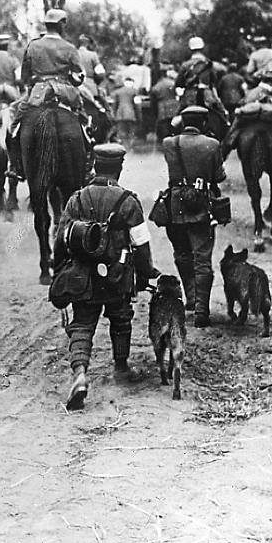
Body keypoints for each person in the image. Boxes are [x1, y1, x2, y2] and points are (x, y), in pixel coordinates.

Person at [54, 143, 159, 410]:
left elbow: (60, 240)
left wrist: (59, 271)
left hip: (82, 275)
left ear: (94, 166)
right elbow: (141, 244)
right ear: (119, 168)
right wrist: (147, 273)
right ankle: (121, 368)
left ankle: (79, 374)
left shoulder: (76, 198)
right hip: (117, 275)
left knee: (82, 324)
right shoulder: (128, 201)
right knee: (121, 320)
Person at [159, 106, 226, 327]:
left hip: (175, 205)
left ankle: (191, 296)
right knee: (202, 257)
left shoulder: (169, 143)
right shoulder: (212, 144)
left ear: (182, 122)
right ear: (204, 123)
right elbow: (219, 177)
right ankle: (201, 311)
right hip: (200, 205)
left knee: (181, 253)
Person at [8, 8, 85, 180]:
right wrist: (71, 81)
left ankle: (16, 167)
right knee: (85, 124)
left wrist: (34, 82)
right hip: (65, 94)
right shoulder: (70, 48)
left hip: (37, 93)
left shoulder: (33, 46)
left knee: (15, 126)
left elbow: (24, 77)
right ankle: (86, 166)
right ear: (61, 25)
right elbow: (79, 76)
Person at [175, 36, 228, 136]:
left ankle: (176, 135)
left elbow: (179, 83)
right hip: (207, 95)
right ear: (202, 48)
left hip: (190, 96)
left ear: (190, 49)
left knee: (176, 118)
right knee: (222, 114)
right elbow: (214, 81)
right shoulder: (209, 64)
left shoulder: (185, 65)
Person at [150, 68, 180, 141]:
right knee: (174, 124)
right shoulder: (172, 83)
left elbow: (153, 102)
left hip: (162, 106)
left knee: (164, 125)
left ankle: (166, 140)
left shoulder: (156, 87)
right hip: (174, 104)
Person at [111, 76, 140, 146]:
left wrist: (113, 115)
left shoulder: (117, 92)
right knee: (131, 132)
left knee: (121, 132)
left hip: (120, 114)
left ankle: (123, 147)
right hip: (131, 114)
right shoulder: (135, 91)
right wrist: (139, 116)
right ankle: (130, 147)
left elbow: (114, 105)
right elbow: (138, 106)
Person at [77, 34, 106, 99]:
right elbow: (101, 73)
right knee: (102, 107)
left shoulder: (72, 53)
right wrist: (97, 83)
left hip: (73, 87)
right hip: (90, 88)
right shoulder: (93, 55)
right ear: (88, 44)